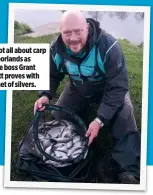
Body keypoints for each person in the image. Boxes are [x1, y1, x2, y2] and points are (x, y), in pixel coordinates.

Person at [34, 10, 140, 184]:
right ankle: (78, 146)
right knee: (59, 115)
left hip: (108, 88)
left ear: (87, 28)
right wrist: (45, 95)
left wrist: (100, 119)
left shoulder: (108, 46)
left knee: (125, 113)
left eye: (78, 31)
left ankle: (128, 169)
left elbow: (118, 86)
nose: (73, 38)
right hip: (77, 87)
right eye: (67, 32)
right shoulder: (56, 47)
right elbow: (50, 75)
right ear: (60, 31)